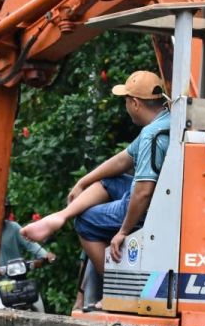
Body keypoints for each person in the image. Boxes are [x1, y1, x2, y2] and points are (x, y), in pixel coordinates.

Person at [20, 71, 170, 292]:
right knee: (107, 181)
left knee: (85, 222)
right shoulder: (167, 120)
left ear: (135, 103)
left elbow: (143, 192)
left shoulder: (151, 135)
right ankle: (61, 216)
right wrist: (83, 181)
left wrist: (123, 231)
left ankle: (117, 289)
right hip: (163, 197)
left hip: (151, 207)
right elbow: (122, 160)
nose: (126, 106)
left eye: (126, 100)